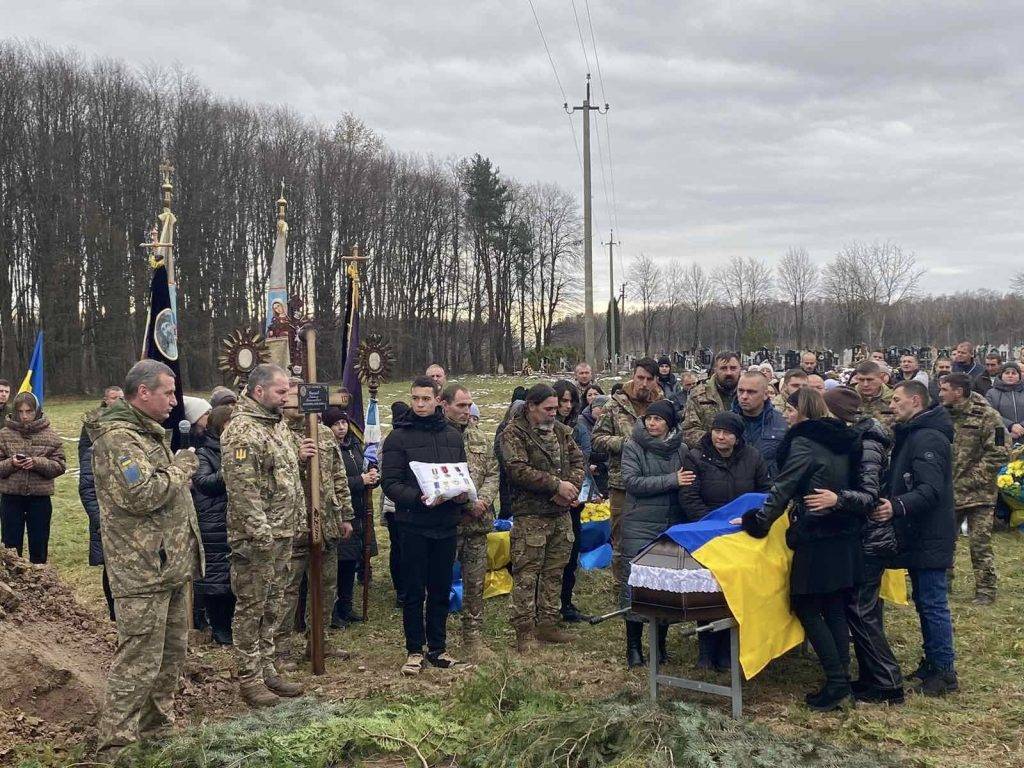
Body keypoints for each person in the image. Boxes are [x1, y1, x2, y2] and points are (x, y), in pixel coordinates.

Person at [88, 360, 203, 755]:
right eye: (168, 393)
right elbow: (141, 495)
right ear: (143, 393)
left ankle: (157, 733)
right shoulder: (119, 439)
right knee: (138, 660)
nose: (175, 401)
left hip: (166, 565)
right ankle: (116, 746)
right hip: (141, 570)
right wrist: (181, 468)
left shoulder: (147, 433)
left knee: (170, 658)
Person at [739, 388, 862, 712]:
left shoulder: (804, 441)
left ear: (802, 410)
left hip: (817, 531)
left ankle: (836, 682)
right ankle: (842, 679)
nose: (786, 416)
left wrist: (759, 521)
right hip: (842, 529)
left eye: (789, 410)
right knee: (834, 606)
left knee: (806, 604)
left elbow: (784, 487)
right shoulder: (843, 438)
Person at [221, 363, 311, 707]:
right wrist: (261, 534)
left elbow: (286, 477)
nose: (286, 397)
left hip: (283, 532)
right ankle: (249, 677)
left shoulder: (276, 427)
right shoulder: (243, 431)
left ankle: (268, 667)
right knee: (252, 607)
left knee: (273, 605)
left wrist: (295, 521)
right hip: (258, 539)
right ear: (259, 391)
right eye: (280, 391)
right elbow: (244, 490)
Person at [813, 387, 904, 704]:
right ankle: (871, 677)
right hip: (859, 535)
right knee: (862, 610)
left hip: (870, 537)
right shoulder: (855, 439)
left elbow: (868, 494)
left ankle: (889, 683)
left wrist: (838, 499)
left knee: (861, 611)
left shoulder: (867, 443)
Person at [875, 380, 959, 696]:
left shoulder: (928, 438)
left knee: (933, 601)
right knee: (924, 601)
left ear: (915, 401)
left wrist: (895, 506)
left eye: (896, 400)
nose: (891, 405)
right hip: (919, 532)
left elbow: (930, 490)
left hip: (930, 533)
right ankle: (933, 662)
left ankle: (944, 671)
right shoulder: (912, 434)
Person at [381, 375, 468, 675]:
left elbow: (460, 475)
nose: (420, 404)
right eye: (415, 398)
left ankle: (438, 648)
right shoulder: (398, 438)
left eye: (426, 399)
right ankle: (414, 650)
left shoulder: (452, 436)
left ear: (438, 401)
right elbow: (390, 483)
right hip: (413, 524)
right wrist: (418, 498)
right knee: (414, 590)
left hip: (445, 525)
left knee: (440, 589)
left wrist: (459, 496)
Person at [678, 411, 769, 669]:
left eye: (727, 433)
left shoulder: (753, 457)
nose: (720, 436)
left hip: (743, 532)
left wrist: (750, 519)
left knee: (738, 589)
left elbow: (764, 493)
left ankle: (731, 649)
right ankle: (706, 649)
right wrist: (711, 524)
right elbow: (689, 496)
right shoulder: (696, 457)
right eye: (717, 430)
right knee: (709, 591)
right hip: (707, 535)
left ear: (738, 438)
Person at [500, 383, 584, 652]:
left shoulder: (561, 431)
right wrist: (555, 487)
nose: (553, 413)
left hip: (561, 514)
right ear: (531, 407)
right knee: (527, 575)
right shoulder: (513, 433)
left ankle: (548, 622)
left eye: (555, 408)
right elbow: (517, 470)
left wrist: (569, 489)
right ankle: (524, 630)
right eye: (547, 409)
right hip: (531, 516)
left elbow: (578, 461)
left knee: (554, 571)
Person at [279, 379, 355, 667]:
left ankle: (318, 641)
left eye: (300, 396)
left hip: (326, 521)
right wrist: (298, 459)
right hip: (293, 523)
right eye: (289, 396)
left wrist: (346, 514)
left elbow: (338, 476)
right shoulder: (277, 434)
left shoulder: (323, 434)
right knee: (288, 590)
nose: (295, 402)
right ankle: (281, 649)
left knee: (325, 585)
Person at [619, 399, 691, 668]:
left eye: (658, 419)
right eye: (649, 418)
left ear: (669, 424)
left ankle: (660, 645)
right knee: (635, 585)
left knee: (664, 585)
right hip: (639, 523)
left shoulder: (681, 449)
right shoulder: (634, 446)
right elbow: (633, 482)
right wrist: (672, 480)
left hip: (670, 525)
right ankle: (634, 647)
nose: (652, 423)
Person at [441, 383, 499, 658]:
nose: (466, 411)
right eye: (460, 406)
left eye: (468, 406)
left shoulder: (480, 438)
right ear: (445, 405)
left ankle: (473, 637)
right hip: (447, 523)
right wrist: (465, 502)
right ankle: (436, 636)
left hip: (477, 523)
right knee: (438, 581)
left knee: (475, 583)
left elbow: (493, 471)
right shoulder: (437, 437)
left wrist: (483, 501)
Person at [938, 373, 1007, 605]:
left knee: (979, 544)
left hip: (980, 494)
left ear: (958, 392)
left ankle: (986, 590)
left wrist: (969, 478)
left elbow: (1000, 452)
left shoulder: (988, 416)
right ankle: (942, 584)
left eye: (945, 389)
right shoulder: (941, 414)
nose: (940, 393)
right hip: (949, 492)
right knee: (945, 540)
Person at [592, 358, 664, 582]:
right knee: (621, 537)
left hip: (654, 481)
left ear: (656, 381)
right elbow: (597, 439)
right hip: (622, 482)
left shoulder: (662, 404)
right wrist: (625, 443)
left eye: (649, 379)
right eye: (639, 377)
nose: (643, 383)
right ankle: (621, 587)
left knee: (654, 537)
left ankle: (649, 585)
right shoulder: (615, 404)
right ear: (633, 375)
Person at [323, 407, 379, 628]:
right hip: (338, 512)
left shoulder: (354, 447)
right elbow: (332, 482)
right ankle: (334, 610)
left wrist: (373, 478)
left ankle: (347, 606)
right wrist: (360, 480)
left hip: (358, 511)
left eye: (344, 423)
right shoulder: (328, 449)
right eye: (336, 424)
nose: (341, 427)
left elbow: (364, 471)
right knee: (337, 564)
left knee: (350, 562)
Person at [0, 391, 66, 564]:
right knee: (10, 547)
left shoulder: (51, 435)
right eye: (20, 412)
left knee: (39, 544)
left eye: (28, 411)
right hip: (11, 498)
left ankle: (40, 581)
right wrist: (11, 463)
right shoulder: (4, 435)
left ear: (36, 411)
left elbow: (60, 465)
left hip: (39, 499)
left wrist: (37, 463)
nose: (24, 416)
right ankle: (13, 582)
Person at [78, 385, 123, 621]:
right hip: (104, 514)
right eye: (114, 398)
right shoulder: (93, 430)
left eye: (121, 398)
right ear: (105, 401)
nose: (117, 402)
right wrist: (99, 518)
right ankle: (114, 613)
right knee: (110, 566)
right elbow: (87, 481)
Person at [192, 405, 235, 646]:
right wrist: (230, 470)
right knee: (217, 579)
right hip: (214, 521)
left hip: (235, 520)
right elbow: (203, 482)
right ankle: (219, 626)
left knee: (233, 576)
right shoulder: (205, 454)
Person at [552, 380, 592, 623]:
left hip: (575, 498)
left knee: (571, 553)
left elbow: (582, 460)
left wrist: (576, 492)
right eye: (562, 401)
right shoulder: (542, 427)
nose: (566, 406)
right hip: (551, 497)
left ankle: (566, 602)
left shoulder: (578, 428)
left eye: (570, 401)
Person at [732, 370, 788, 477]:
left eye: (751, 392)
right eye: (740, 391)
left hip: (770, 488)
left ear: (765, 395)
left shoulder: (783, 423)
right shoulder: (727, 422)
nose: (744, 396)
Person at [681, 352, 743, 448]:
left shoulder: (750, 393)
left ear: (740, 369)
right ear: (715, 370)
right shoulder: (698, 395)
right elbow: (688, 430)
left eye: (733, 368)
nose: (729, 373)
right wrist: (716, 442)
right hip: (709, 455)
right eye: (723, 368)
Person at [578, 393, 610, 498]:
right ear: (592, 408)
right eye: (599, 407)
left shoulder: (607, 422)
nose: (601, 411)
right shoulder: (581, 422)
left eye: (604, 408)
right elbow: (583, 448)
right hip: (588, 468)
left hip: (604, 467)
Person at [985, 362, 1024, 444]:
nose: (1010, 375)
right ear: (1001, 375)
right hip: (1000, 435)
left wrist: (1021, 427)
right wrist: (1011, 426)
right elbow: (989, 414)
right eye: (1007, 373)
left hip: (1022, 434)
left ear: (1019, 376)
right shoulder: (991, 393)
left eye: (1014, 373)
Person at [853, 361, 895, 433]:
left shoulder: (894, 398)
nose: (865, 384)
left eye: (870, 380)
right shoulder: (848, 397)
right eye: (861, 380)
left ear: (881, 379)